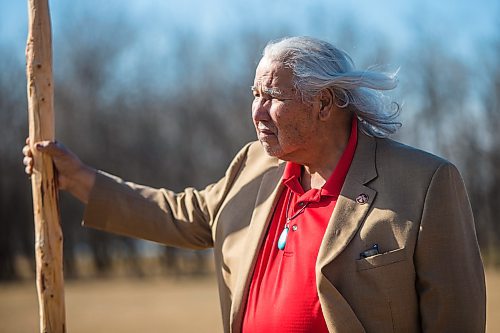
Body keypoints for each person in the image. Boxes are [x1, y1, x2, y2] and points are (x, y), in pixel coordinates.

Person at [23, 36, 486, 333]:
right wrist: (80, 178)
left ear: (324, 103)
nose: (256, 113)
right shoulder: (254, 165)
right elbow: (184, 215)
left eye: (272, 97)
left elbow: (457, 320)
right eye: (254, 95)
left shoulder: (425, 184)